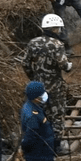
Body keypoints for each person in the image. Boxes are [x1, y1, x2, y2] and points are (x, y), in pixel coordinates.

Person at [23, 14, 73, 151]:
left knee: (38, 113)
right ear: (55, 28)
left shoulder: (33, 43)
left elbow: (25, 64)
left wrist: (33, 77)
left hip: (38, 87)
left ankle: (38, 141)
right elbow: (63, 66)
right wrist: (69, 65)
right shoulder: (57, 45)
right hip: (55, 87)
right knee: (57, 115)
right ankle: (56, 145)